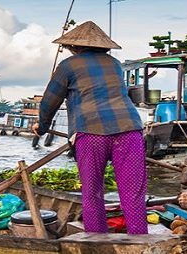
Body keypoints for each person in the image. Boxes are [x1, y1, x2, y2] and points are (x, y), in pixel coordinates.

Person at [32, 21, 147, 234]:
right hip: (130, 130)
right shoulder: (115, 64)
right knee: (133, 193)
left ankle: (96, 240)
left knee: (92, 192)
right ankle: (140, 241)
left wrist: (42, 127)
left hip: (91, 132)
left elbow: (49, 101)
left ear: (74, 47)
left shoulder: (68, 66)